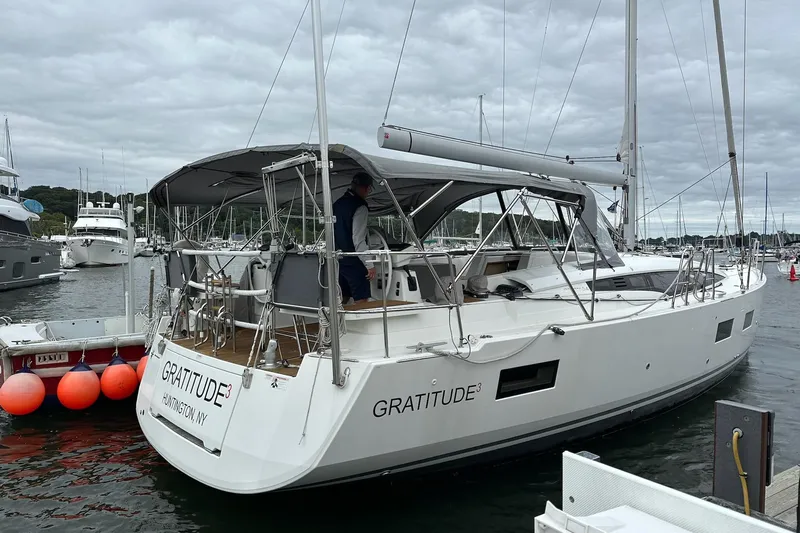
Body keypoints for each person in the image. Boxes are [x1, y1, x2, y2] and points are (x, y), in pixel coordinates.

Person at [333, 172, 376, 303]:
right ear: (366, 188)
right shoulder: (360, 207)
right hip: (354, 260)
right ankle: (363, 323)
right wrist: (369, 264)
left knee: (343, 297)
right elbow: (358, 239)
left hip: (339, 259)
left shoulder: (336, 204)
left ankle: (339, 323)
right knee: (361, 298)